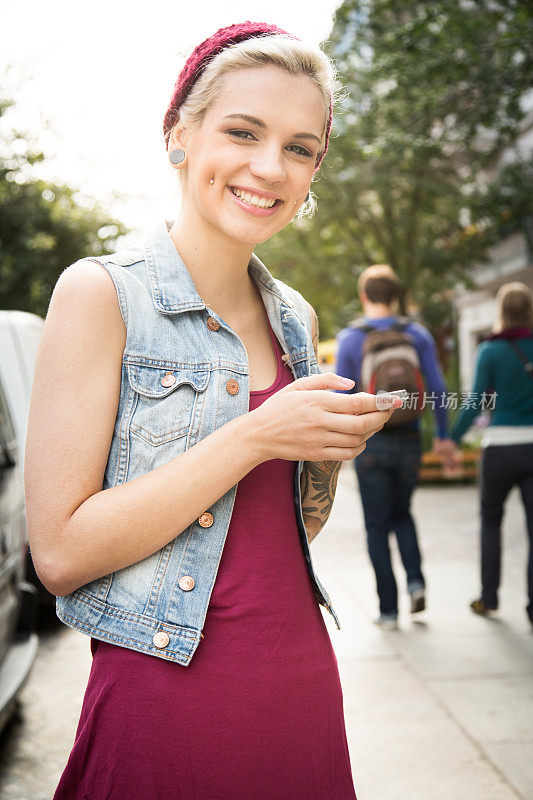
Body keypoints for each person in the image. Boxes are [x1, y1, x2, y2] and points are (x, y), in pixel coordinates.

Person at [24, 23, 403, 799]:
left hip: (299, 690)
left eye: (300, 148)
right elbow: (59, 551)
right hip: (167, 699)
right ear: (180, 137)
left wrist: (323, 454)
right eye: (242, 132)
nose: (270, 167)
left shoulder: (292, 313)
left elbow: (271, 532)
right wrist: (257, 435)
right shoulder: (102, 294)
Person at [335, 264, 458, 630]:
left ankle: (388, 610)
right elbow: (436, 387)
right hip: (409, 439)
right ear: (395, 297)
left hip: (370, 441)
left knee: (376, 525)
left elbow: (340, 394)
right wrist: (443, 436)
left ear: (364, 297)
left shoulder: (351, 339)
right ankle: (416, 582)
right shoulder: (416, 334)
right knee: (403, 513)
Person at [450, 281, 533, 626]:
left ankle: (489, 598)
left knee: (490, 523)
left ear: (501, 311)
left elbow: (474, 403)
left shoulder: (490, 350)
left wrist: (450, 439)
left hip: (499, 449)